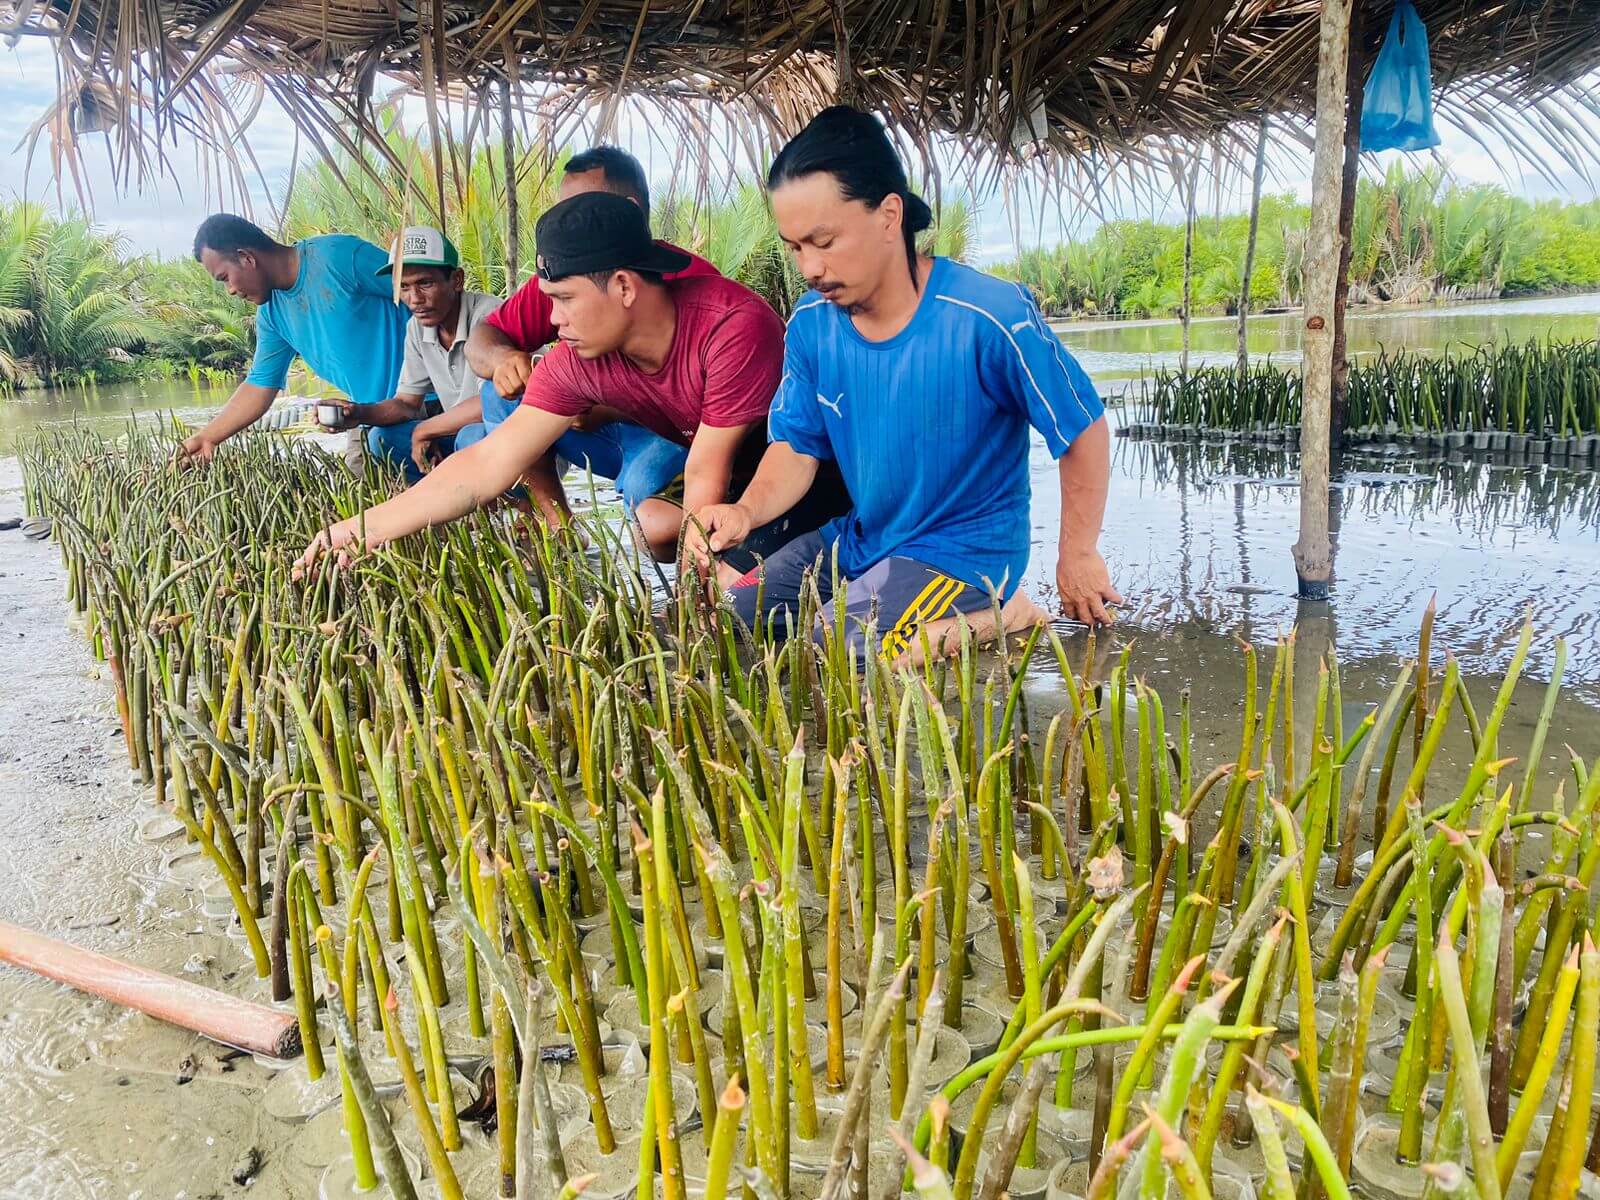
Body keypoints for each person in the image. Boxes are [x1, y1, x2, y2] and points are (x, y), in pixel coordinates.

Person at [686, 105, 1120, 657]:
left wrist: (1077, 553)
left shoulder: (989, 315)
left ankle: (1004, 613)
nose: (809, 268)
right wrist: (743, 511)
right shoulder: (811, 325)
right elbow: (797, 446)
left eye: (823, 241)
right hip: (861, 540)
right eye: (795, 247)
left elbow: (1080, 430)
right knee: (728, 622)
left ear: (889, 216)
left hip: (963, 554)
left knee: (839, 652)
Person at [294, 191, 843, 572]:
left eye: (563, 301)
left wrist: (688, 615)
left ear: (624, 286)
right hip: (719, 475)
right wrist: (360, 530)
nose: (552, 322)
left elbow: (707, 470)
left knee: (730, 597)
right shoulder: (579, 356)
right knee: (655, 525)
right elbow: (487, 463)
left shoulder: (729, 326)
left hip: (798, 471)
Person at [460, 145, 721, 540]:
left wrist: (608, 408)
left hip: (668, 434)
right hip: (585, 427)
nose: (554, 317)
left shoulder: (703, 292)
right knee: (498, 397)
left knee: (648, 506)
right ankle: (556, 524)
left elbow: (709, 410)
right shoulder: (563, 277)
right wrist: (504, 359)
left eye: (580, 209)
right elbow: (481, 340)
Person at [179, 214, 410, 463]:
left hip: (423, 402)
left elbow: (421, 291)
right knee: (362, 494)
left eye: (225, 278)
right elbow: (260, 384)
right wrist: (207, 438)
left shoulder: (339, 257)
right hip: (366, 415)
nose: (231, 291)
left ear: (247, 257)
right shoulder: (270, 315)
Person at [320, 226, 500, 482]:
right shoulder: (417, 328)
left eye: (425, 283)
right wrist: (357, 413)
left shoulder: (489, 316)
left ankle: (517, 501)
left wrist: (426, 430)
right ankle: (448, 504)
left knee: (470, 437)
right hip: (461, 434)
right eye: (403, 287)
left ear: (457, 280)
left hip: (512, 438)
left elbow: (494, 402)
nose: (414, 298)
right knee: (382, 439)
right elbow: (406, 403)